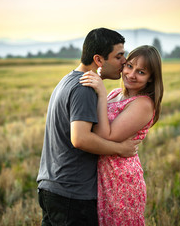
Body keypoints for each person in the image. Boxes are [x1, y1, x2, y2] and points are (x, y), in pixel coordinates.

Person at [36, 28, 141, 226]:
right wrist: (120, 149)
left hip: (51, 187)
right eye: (119, 56)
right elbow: (80, 138)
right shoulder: (84, 89)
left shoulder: (67, 80)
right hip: (72, 195)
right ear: (99, 60)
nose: (124, 62)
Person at [80, 45, 164, 225]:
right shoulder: (115, 93)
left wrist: (101, 94)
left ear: (150, 79)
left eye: (141, 72)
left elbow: (107, 136)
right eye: (129, 66)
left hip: (120, 180)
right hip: (101, 174)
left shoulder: (143, 104)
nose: (132, 74)